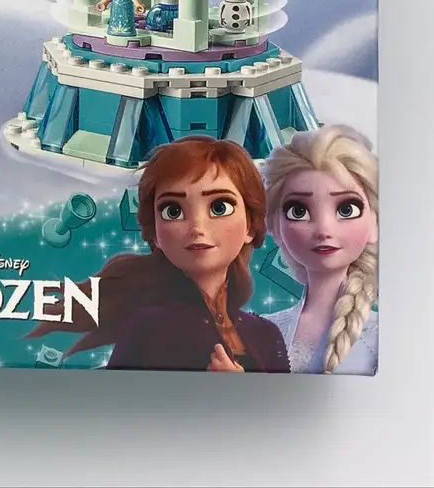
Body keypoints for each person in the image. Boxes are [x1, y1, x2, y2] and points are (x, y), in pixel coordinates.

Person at [29, 136, 290, 372]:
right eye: (173, 211)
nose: (197, 227)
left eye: (219, 207)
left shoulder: (266, 334)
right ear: (155, 233)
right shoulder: (150, 326)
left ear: (250, 225)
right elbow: (116, 404)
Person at [262, 126, 378, 374]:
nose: (324, 230)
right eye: (298, 211)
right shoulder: (264, 331)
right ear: (275, 226)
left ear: (375, 223)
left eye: (346, 209)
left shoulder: (388, 337)